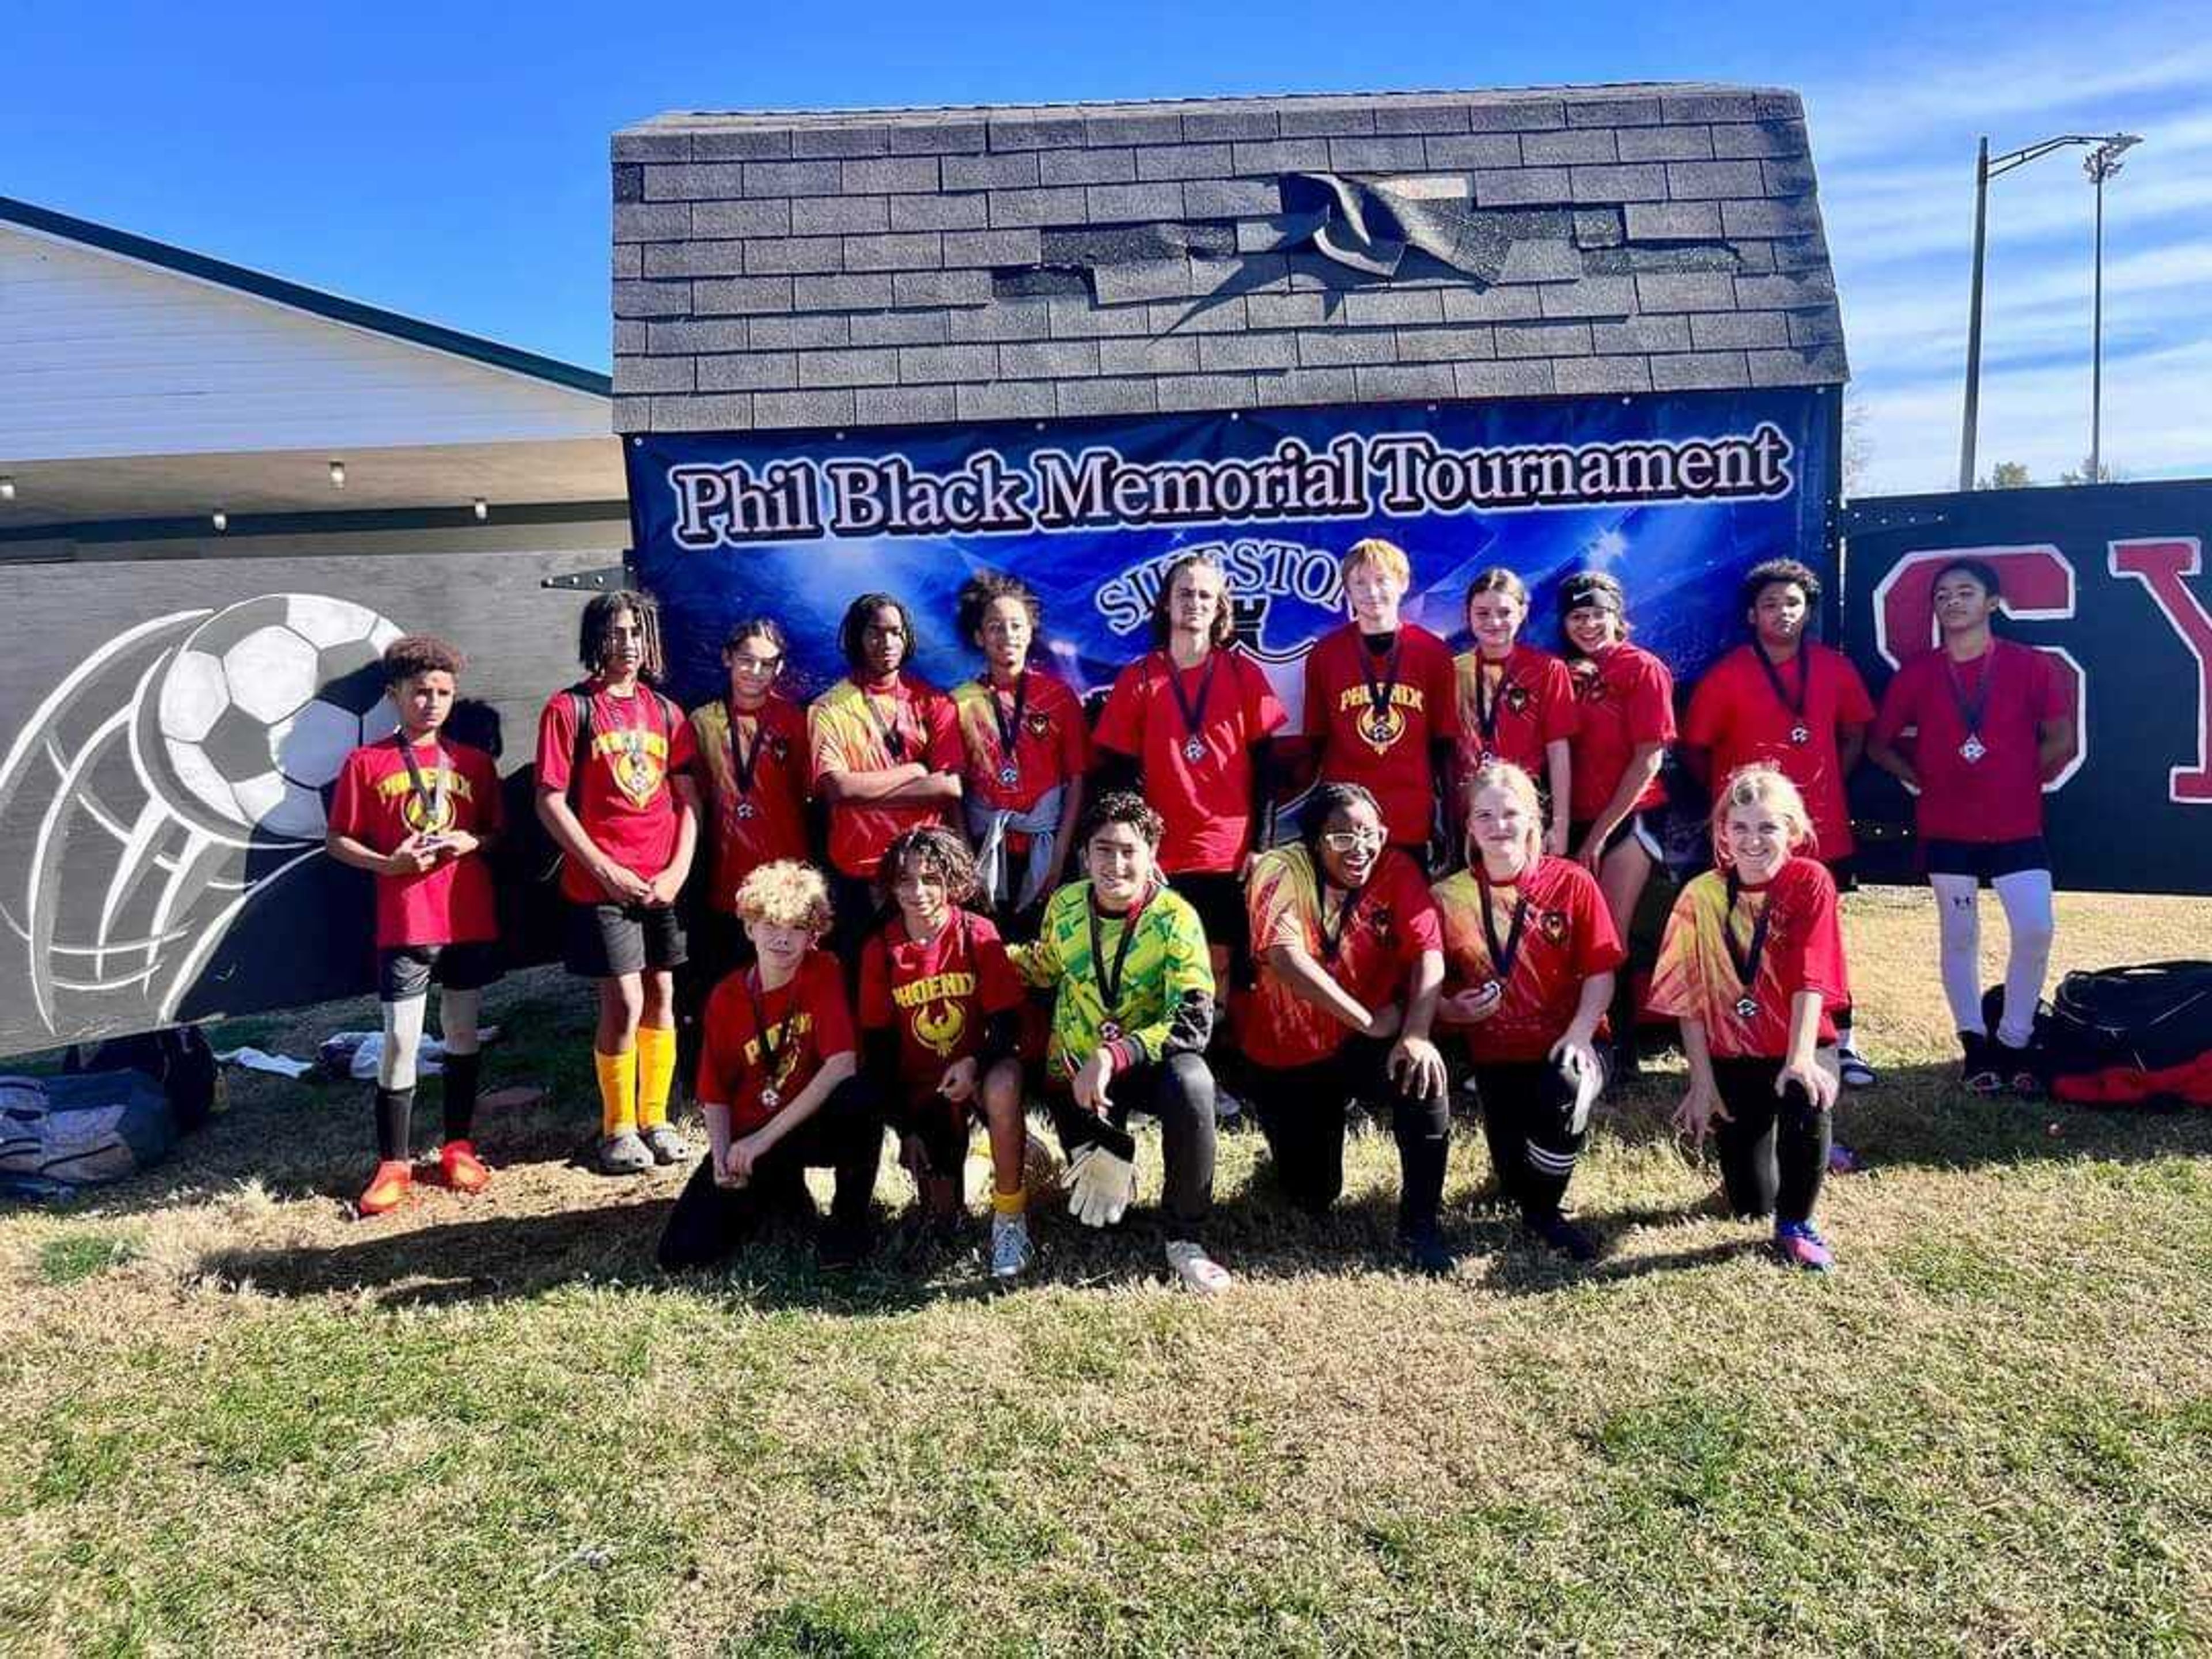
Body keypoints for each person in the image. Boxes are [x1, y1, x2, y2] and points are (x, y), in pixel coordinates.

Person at [1867, 558, 2072, 1094]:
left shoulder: (2031, 665)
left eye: (1965, 592)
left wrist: (2021, 779)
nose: (1952, 602)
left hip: (2017, 825)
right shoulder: (1918, 673)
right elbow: (1879, 744)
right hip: (1946, 827)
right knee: (1959, 936)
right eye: (1942, 595)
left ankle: (2016, 1038)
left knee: (2036, 929)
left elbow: (2061, 738)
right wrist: (1920, 783)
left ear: (1992, 603)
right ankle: (1975, 1046)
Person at [1010, 790, 1227, 1294]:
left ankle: (1185, 1238)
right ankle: (1111, 1151)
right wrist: (979, 948)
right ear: (1085, 856)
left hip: (1144, 1066)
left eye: (1130, 850)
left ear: (1152, 855)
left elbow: (1193, 1020)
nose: (1116, 863)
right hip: (1078, 1075)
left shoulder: (1176, 919)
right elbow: (1045, 966)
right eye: (1104, 850)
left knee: (1193, 1080)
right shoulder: (1065, 905)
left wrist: (1114, 1053)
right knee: (1100, 1216)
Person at [1683, 558, 1879, 1090]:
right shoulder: (1727, 676)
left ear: (1808, 611)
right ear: (1751, 614)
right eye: (1770, 604)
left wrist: (1828, 784)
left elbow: (1856, 736)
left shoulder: (1835, 668)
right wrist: (1734, 809)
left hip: (1820, 832)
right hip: (1748, 841)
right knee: (1750, 940)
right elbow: (1698, 753)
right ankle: (1750, 1034)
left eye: (1792, 603)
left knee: (1823, 940)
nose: (1782, 613)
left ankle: (1841, 1038)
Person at [1238, 783, 1453, 1271]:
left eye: (1369, 834)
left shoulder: (1397, 869)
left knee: (1422, 1073)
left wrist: (1415, 1034)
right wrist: (1368, 1020)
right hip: (1288, 1054)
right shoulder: (1279, 868)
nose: (1359, 849)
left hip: (1358, 1046)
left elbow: (1430, 955)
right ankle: (1289, 1153)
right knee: (1311, 1193)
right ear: (1315, 841)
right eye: (1341, 838)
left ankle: (1421, 1225)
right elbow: (1285, 959)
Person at [326, 634, 503, 1216]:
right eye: (420, 691)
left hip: (466, 916)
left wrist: (469, 839)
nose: (432, 702)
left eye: (443, 693)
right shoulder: (365, 762)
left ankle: (458, 1145)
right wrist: (389, 864)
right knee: (401, 1041)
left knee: (461, 1033)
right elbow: (338, 840)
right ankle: (394, 1162)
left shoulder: (474, 763)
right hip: (405, 922)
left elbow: (497, 832)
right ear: (394, 695)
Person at [1647, 764, 1847, 1272]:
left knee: (1806, 1091)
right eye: (1740, 827)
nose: (1753, 840)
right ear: (1722, 834)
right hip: (1733, 1055)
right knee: (1749, 1202)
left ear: (1794, 832)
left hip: (1795, 1044)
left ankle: (1797, 1221)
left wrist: (1801, 1058)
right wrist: (1702, 1082)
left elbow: (1811, 977)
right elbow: (1685, 996)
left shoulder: (1809, 880)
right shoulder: (1701, 895)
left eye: (1767, 827)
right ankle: (1772, 1167)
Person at [535, 590, 700, 1177]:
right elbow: (550, 800)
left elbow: (688, 801)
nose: (625, 644)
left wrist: (677, 872)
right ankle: (618, 1128)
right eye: (613, 633)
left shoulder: (667, 712)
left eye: (635, 632)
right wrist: (604, 869)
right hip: (601, 887)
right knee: (624, 1000)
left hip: (661, 885)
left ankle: (656, 1119)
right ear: (593, 641)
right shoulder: (568, 708)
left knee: (663, 996)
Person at [1430, 760, 1623, 1260]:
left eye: (1511, 814)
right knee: (1515, 1180)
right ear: (1469, 825)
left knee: (1566, 1085)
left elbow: (1602, 972)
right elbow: (1431, 994)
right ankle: (1533, 1185)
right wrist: (1455, 1010)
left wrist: (1581, 1034)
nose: (1499, 827)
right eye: (1485, 815)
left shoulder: (1573, 883)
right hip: (1498, 1058)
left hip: (1573, 1042)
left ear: (1535, 821)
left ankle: (1546, 1215)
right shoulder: (1447, 899)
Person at [658, 860, 883, 1272]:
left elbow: (841, 1064)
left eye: (797, 928)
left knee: (860, 1096)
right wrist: (725, 1157)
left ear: (814, 936)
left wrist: (762, 1141)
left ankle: (849, 1219)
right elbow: (714, 1093)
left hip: (802, 1124)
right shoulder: (726, 997)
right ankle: (783, 1195)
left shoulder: (825, 972)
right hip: (751, 1132)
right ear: (748, 927)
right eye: (770, 925)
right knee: (681, 1254)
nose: (782, 939)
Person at [1094, 551, 1287, 997]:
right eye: (1184, 593)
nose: (1194, 603)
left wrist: (1262, 846)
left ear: (1220, 607)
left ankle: (1222, 1057)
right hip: (1163, 855)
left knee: (1225, 966)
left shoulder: (1243, 673)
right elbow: (1119, 780)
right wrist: (1138, 848)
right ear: (1166, 604)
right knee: (1168, 964)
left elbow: (1267, 769)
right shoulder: (1139, 678)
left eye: (1205, 595)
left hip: (1231, 852)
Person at [858, 827, 1034, 1278]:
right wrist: (906, 1126)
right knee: (944, 1221)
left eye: (931, 878)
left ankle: (1010, 1217)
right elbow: (877, 1050)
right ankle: (981, 1159)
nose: (918, 891)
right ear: (890, 886)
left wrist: (975, 1063)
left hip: (980, 1070)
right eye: (905, 880)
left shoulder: (977, 934)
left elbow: (1008, 1025)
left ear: (953, 881)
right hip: (922, 1087)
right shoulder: (880, 950)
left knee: (1005, 1084)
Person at [1559, 570, 1676, 1072]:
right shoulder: (1566, 672)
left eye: (1598, 614)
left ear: (1618, 616)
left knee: (1611, 937)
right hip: (1580, 819)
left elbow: (1649, 757)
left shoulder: (1642, 668)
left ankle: (1621, 1052)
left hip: (1631, 819)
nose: (1589, 625)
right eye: (1578, 616)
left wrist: (1601, 832)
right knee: (1579, 937)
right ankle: (1589, 1040)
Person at [809, 592, 963, 962]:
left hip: (922, 873)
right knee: (861, 983)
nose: (887, 642)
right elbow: (837, 788)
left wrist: (865, 789)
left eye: (896, 632)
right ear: (856, 639)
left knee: (926, 981)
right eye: (875, 633)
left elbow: (950, 785)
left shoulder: (933, 702)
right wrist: (914, 772)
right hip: (857, 874)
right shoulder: (827, 707)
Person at [1297, 539, 1460, 862]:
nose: (1372, 592)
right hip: (1345, 818)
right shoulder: (1325, 655)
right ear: (1347, 590)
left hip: (1409, 813)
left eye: (1382, 580)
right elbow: (1316, 741)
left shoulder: (1432, 652)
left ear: (1403, 583)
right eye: (1360, 583)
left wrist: (1449, 823)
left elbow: (1443, 745)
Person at [950, 570, 1088, 931]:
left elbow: (1076, 780)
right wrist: (966, 856)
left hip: (1045, 848)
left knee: (1044, 952)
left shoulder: (1058, 698)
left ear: (1030, 632)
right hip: (986, 850)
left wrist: (1060, 853)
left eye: (1016, 625)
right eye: (995, 627)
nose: (1007, 635)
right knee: (992, 948)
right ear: (979, 636)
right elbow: (953, 789)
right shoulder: (959, 702)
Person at [687, 618, 811, 977]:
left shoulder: (793, 720)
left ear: (780, 668)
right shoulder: (702, 722)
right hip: (729, 879)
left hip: (786, 875)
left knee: (788, 974)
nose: (755, 671)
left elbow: (808, 795)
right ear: (728, 658)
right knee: (735, 977)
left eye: (767, 663)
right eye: (746, 659)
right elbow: (696, 799)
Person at [1452, 567, 1577, 857]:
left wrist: (1560, 825)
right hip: (1467, 814)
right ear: (1467, 615)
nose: (1494, 622)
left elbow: (1558, 751)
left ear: (1522, 612)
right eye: (1482, 613)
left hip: (1521, 811)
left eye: (1505, 612)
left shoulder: (1547, 670)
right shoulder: (1453, 671)